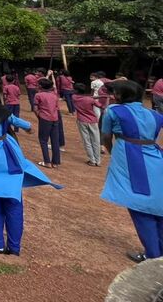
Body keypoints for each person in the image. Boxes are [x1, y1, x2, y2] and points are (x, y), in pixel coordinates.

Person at [0, 79, 62, 255]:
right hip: (5, 154)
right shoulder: (1, 112)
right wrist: (29, 127)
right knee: (13, 201)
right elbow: (17, 121)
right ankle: (14, 247)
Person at [101, 80, 163, 262]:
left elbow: (106, 135)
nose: (113, 96)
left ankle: (153, 257)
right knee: (158, 206)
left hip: (129, 157)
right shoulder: (155, 115)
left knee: (139, 206)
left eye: (115, 93)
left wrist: (112, 151)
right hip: (155, 157)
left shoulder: (113, 111)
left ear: (121, 96)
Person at [34, 78, 62, 168]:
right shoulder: (54, 95)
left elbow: (35, 108)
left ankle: (47, 162)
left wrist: (39, 116)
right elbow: (57, 108)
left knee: (43, 140)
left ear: (41, 86)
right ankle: (56, 162)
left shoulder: (38, 95)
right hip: (55, 118)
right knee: (55, 141)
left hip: (45, 119)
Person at [72, 82, 101, 167]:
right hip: (93, 121)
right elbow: (100, 105)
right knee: (96, 141)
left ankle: (92, 160)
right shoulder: (90, 100)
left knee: (87, 141)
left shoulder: (74, 97)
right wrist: (106, 97)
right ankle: (97, 161)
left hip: (82, 121)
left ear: (76, 90)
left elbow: (87, 98)